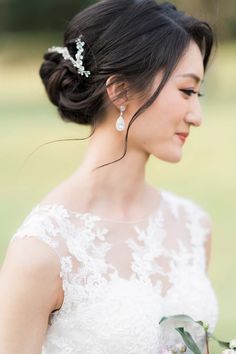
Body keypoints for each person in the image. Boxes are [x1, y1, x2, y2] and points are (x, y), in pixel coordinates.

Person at [0, 0, 219, 353]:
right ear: (119, 91)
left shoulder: (193, 227)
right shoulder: (42, 252)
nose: (197, 115)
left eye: (199, 93)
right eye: (186, 91)